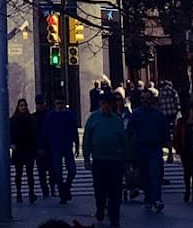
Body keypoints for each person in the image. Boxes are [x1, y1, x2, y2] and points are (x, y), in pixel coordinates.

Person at [84, 89, 129, 228]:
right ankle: (100, 209)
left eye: (108, 104)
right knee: (100, 189)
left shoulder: (116, 120)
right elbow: (87, 138)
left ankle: (114, 216)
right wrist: (86, 156)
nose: (106, 107)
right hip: (99, 159)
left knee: (115, 190)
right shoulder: (93, 118)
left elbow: (123, 140)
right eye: (103, 104)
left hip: (115, 160)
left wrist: (125, 158)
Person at [129, 87, 171, 213]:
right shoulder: (136, 114)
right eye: (143, 99)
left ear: (152, 99)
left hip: (155, 147)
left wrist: (169, 151)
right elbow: (130, 132)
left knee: (155, 174)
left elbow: (165, 133)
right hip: (141, 147)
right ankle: (148, 198)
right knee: (145, 175)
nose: (146, 101)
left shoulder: (159, 115)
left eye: (148, 98)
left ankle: (157, 199)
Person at [42, 94, 79, 204]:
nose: (60, 106)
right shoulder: (50, 116)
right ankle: (63, 193)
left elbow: (74, 131)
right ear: (55, 104)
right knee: (58, 173)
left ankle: (65, 189)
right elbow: (45, 132)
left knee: (72, 171)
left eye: (61, 103)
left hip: (67, 145)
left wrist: (77, 145)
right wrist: (44, 146)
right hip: (55, 146)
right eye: (58, 104)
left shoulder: (70, 115)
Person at [11, 97, 38, 203]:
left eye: (24, 106)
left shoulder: (30, 119)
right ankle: (19, 193)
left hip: (28, 148)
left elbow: (34, 134)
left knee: (30, 173)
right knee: (19, 173)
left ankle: (31, 192)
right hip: (18, 149)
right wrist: (12, 144)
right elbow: (11, 133)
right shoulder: (13, 120)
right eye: (21, 105)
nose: (23, 107)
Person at [174, 100, 193, 204]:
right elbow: (177, 135)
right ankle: (187, 191)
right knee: (187, 172)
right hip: (185, 150)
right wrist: (178, 149)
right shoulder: (182, 122)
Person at [33, 95, 53, 199]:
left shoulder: (50, 115)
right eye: (38, 104)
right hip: (39, 147)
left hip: (49, 147)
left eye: (41, 103)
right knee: (42, 172)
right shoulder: (34, 117)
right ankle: (45, 190)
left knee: (51, 170)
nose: (40, 105)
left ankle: (52, 188)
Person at [158, 81, 181, 162]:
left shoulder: (160, 92)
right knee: (173, 133)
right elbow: (177, 103)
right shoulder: (173, 91)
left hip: (164, 115)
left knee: (165, 133)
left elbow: (159, 103)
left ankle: (168, 150)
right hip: (172, 115)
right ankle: (172, 151)